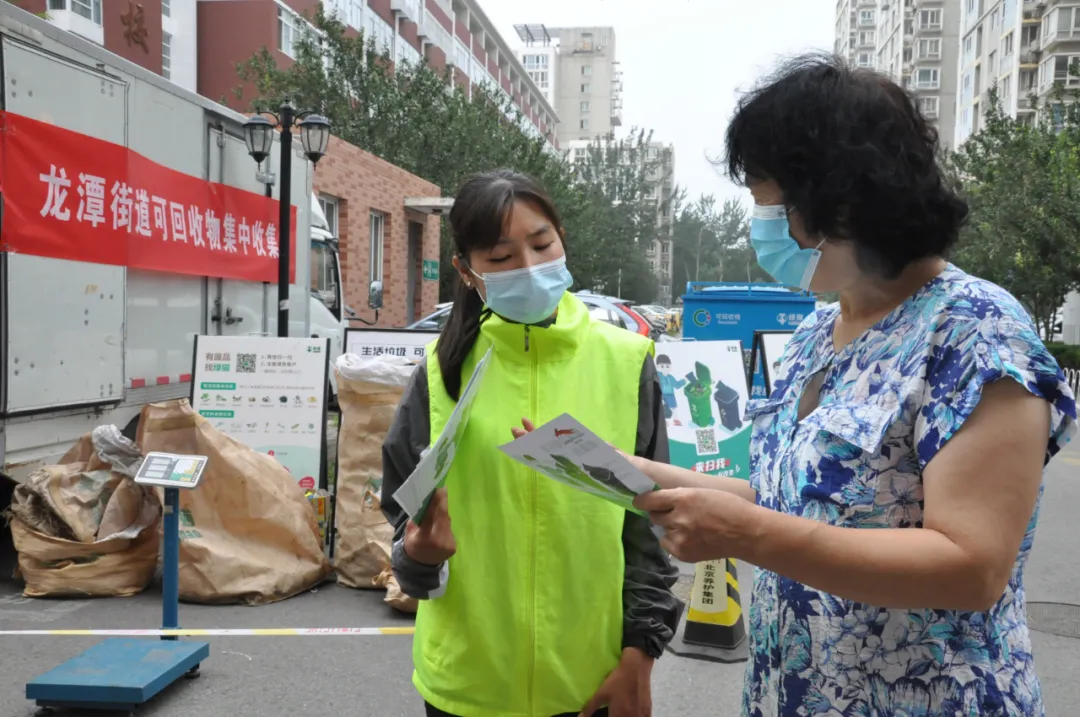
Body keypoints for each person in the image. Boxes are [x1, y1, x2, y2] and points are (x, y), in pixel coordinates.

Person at [630, 54, 1078, 717]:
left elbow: (971, 566)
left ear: (842, 199)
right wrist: (636, 474)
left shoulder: (976, 333)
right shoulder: (820, 328)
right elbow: (794, 495)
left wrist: (749, 535)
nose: (759, 231)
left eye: (768, 206)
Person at [381, 169, 681, 717]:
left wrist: (640, 655)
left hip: (591, 683)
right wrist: (419, 558)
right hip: (465, 685)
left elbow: (650, 525)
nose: (529, 267)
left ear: (561, 238)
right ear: (467, 272)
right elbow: (405, 528)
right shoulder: (437, 373)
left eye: (542, 244)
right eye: (500, 258)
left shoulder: (626, 360)